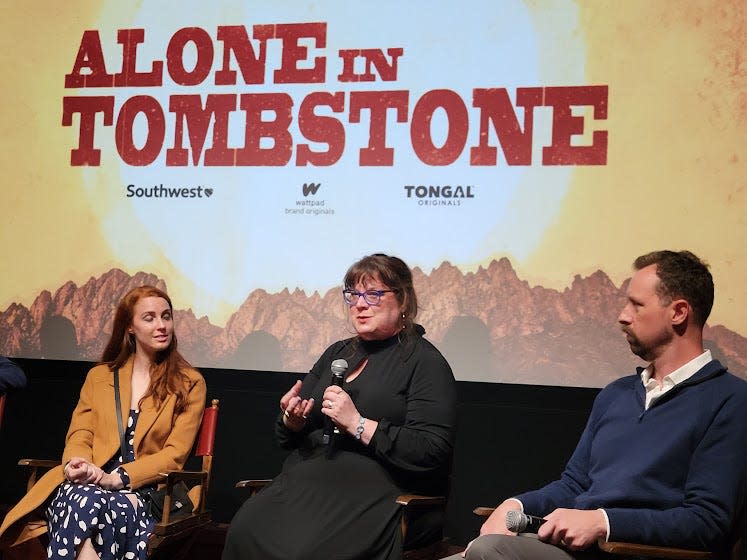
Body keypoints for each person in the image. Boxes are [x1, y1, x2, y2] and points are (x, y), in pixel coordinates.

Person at [444, 250, 747, 560]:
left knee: (489, 551)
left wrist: (604, 522)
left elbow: (706, 521)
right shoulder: (615, 395)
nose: (623, 315)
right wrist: (516, 505)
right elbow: (573, 484)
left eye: (637, 305)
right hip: (573, 551)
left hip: (630, 552)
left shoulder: (730, 401)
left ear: (679, 312)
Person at [222, 253, 457, 560]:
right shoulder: (338, 352)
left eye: (373, 294)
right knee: (244, 530)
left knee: (304, 551)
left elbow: (431, 449)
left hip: (375, 492)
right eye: (353, 295)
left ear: (402, 301)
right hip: (305, 481)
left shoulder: (425, 362)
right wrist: (292, 419)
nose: (359, 304)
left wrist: (358, 423)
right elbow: (288, 437)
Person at [0, 286, 206, 560]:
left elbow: (174, 456)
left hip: (144, 490)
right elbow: (81, 433)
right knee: (83, 497)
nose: (161, 325)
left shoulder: (189, 383)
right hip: (88, 483)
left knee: (95, 505)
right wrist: (80, 464)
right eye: (149, 318)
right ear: (130, 327)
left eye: (166, 316)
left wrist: (116, 478)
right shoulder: (99, 377)